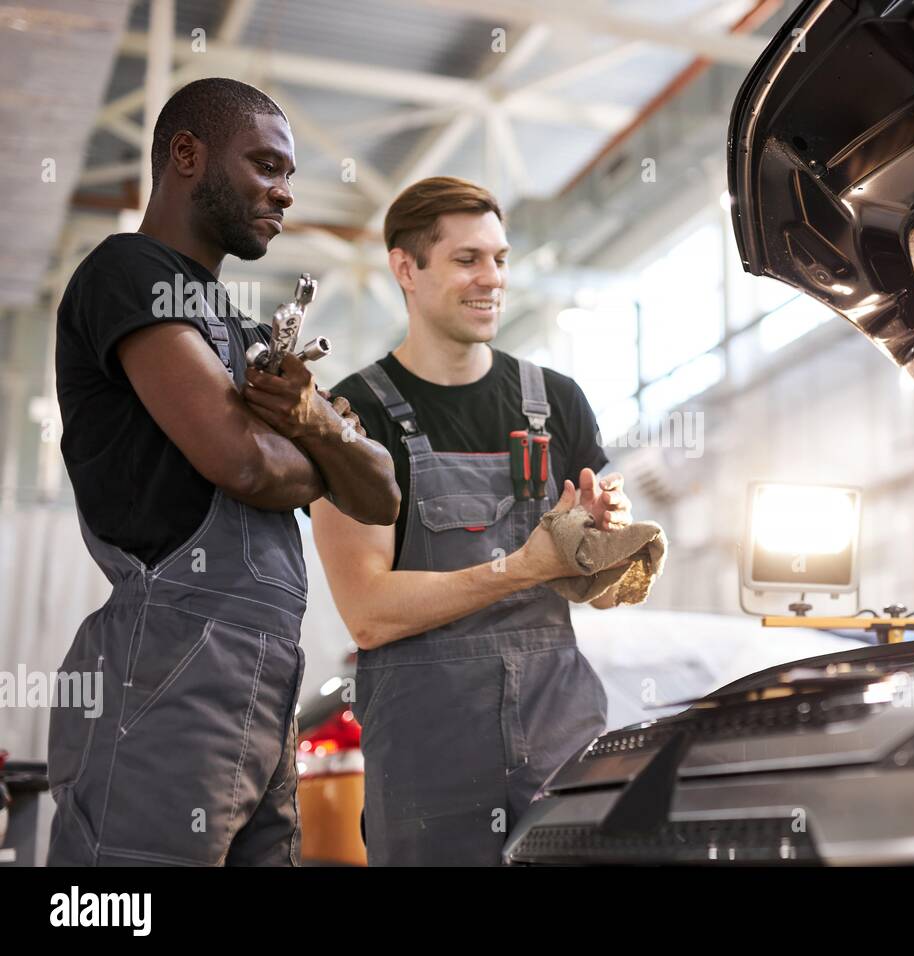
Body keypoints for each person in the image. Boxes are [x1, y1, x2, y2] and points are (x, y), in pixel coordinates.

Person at [48, 77, 400, 866]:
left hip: (266, 675)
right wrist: (320, 452)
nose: (284, 194)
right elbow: (240, 460)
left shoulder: (244, 333)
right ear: (186, 155)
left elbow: (379, 495)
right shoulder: (128, 271)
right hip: (166, 660)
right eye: (267, 167)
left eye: (291, 177)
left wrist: (307, 426)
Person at [311, 176, 634, 865]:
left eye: (500, 259)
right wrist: (524, 568)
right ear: (406, 268)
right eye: (466, 260)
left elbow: (603, 593)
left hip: (561, 740)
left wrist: (606, 547)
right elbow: (367, 611)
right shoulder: (353, 416)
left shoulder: (558, 402)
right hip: (430, 765)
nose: (492, 279)